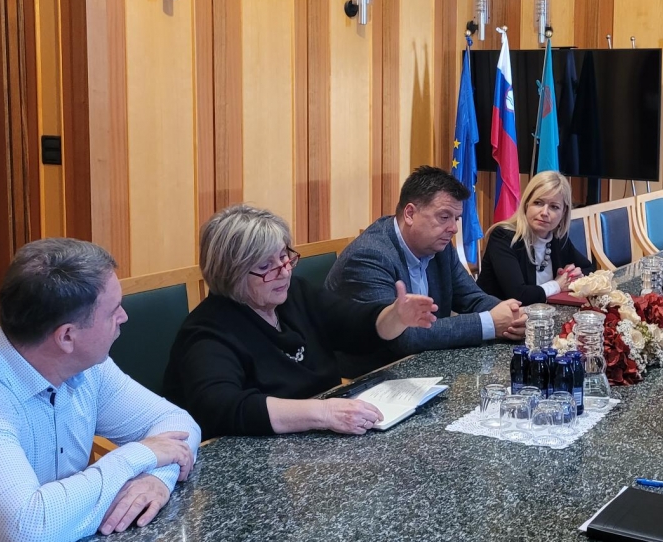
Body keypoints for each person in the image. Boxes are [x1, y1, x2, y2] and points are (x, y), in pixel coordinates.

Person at [0, 238, 201, 542]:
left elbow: (177, 423)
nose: (124, 317)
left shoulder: (86, 368)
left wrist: (156, 479)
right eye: (112, 311)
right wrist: (140, 455)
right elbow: (29, 531)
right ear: (66, 337)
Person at [162, 205, 438, 440]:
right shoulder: (208, 331)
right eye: (265, 266)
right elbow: (222, 408)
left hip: (314, 444)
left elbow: (355, 325)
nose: (284, 272)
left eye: (284, 257)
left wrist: (395, 316)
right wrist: (323, 413)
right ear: (230, 273)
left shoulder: (294, 294)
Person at [326, 166, 526, 378]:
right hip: (369, 376)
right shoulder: (369, 256)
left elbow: (471, 297)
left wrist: (511, 317)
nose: (453, 228)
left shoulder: (439, 247)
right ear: (410, 214)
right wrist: (489, 323)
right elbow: (402, 336)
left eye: (456, 218)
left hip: (423, 367)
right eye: (444, 217)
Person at [476, 171, 595, 305]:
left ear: (564, 212)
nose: (544, 212)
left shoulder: (557, 238)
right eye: (538, 203)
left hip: (542, 313)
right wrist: (557, 285)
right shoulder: (503, 237)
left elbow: (589, 269)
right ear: (526, 204)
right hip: (498, 314)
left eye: (554, 207)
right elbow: (519, 295)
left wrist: (576, 276)